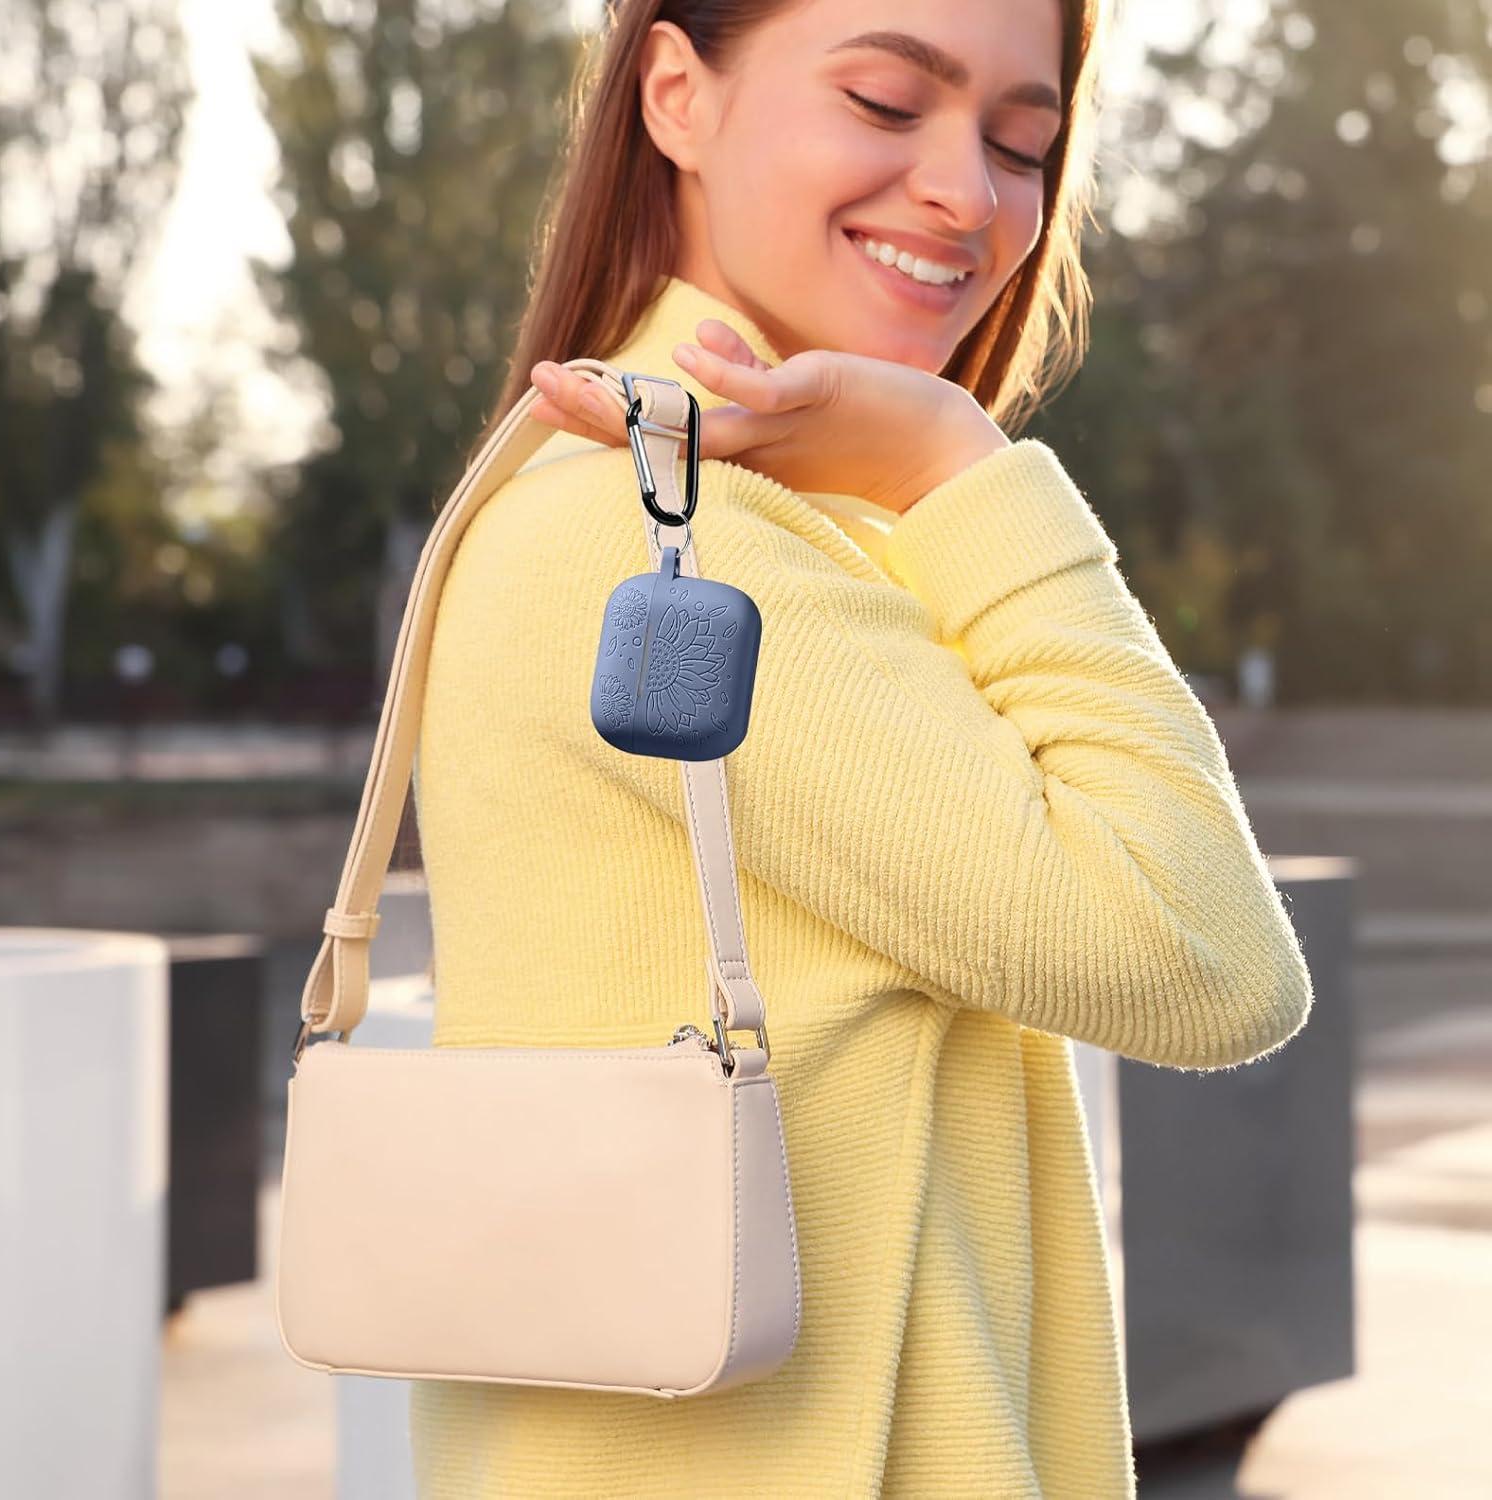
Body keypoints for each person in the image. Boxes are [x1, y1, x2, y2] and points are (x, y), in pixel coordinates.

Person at [408, 1, 1314, 1495]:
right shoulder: (666, 551)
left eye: (1023, 142)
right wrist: (964, 464)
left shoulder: (762, 532)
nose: (971, 192)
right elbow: (1205, 953)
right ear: (678, 96)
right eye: (891, 103)